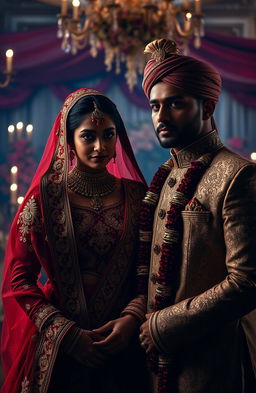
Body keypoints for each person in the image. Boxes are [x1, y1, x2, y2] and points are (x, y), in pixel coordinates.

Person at [124, 38, 256, 393]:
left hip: (215, 364)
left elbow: (248, 282)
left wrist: (164, 326)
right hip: (158, 365)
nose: (161, 117)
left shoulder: (238, 175)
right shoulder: (166, 175)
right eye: (154, 107)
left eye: (175, 104)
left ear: (208, 105)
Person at [0, 88, 149, 393]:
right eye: (88, 136)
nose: (100, 146)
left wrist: (132, 317)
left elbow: (149, 270)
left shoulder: (137, 197)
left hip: (122, 340)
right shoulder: (46, 199)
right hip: (60, 346)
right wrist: (64, 333)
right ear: (69, 140)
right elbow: (19, 279)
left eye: (108, 135)